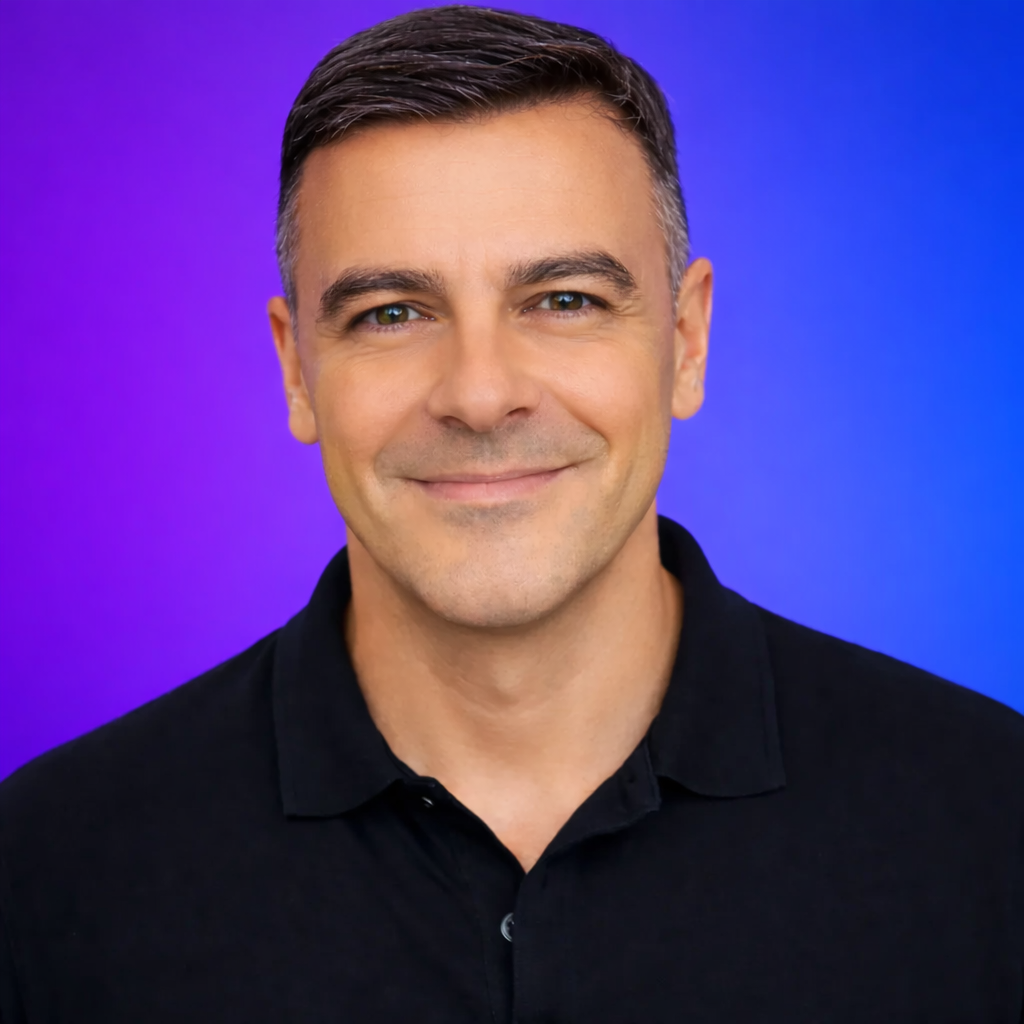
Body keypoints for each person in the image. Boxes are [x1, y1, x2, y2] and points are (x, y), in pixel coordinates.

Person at [1, 5, 1021, 1020]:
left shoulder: (992, 822)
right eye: (390, 313)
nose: (481, 395)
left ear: (687, 337)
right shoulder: (46, 870)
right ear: (295, 368)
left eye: (565, 299)